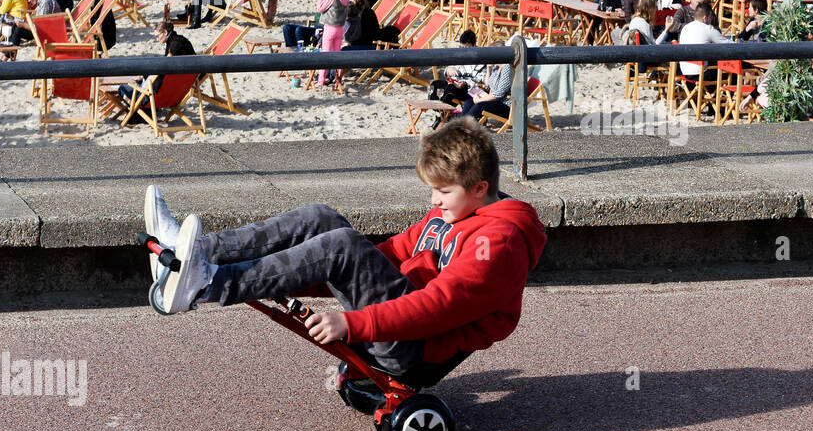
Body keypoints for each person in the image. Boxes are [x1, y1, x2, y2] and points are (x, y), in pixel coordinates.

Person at [143, 119, 548, 393]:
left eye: (442, 192)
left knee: (342, 247)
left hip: (414, 347)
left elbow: (438, 306)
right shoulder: (458, 210)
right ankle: (195, 252)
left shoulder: (499, 242)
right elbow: (393, 253)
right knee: (323, 220)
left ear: (479, 188)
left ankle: (208, 282)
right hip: (398, 319)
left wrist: (352, 322)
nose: (433, 200)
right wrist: (317, 268)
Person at [118, 20, 195, 116]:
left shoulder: (174, 46)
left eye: (158, 36)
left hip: (159, 96)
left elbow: (164, 70)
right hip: (179, 89)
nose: (157, 39)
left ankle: (143, 115)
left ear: (165, 33)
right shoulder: (180, 40)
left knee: (122, 89)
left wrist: (144, 78)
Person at [676, 3, 730, 90]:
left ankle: (708, 100)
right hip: (700, 74)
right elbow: (727, 44)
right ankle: (722, 100)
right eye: (711, 17)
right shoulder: (708, 29)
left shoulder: (686, 28)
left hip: (684, 71)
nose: (711, 20)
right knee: (729, 71)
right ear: (705, 18)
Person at [429, 29, 486, 107]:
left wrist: (465, 83)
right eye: (462, 47)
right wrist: (449, 70)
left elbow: (481, 80)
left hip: (473, 89)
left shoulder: (482, 58)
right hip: (456, 83)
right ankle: (438, 113)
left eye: (467, 47)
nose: (464, 50)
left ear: (474, 45)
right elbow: (450, 67)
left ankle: (443, 114)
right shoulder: (461, 53)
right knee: (435, 84)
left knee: (450, 89)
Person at [459, 44, 512, 122]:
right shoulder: (496, 67)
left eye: (490, 54)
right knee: (469, 101)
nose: (489, 57)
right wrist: (488, 70)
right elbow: (488, 86)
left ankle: (461, 128)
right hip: (494, 100)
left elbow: (499, 94)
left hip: (506, 105)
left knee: (479, 106)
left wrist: (481, 100)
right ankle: (461, 125)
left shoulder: (507, 67)